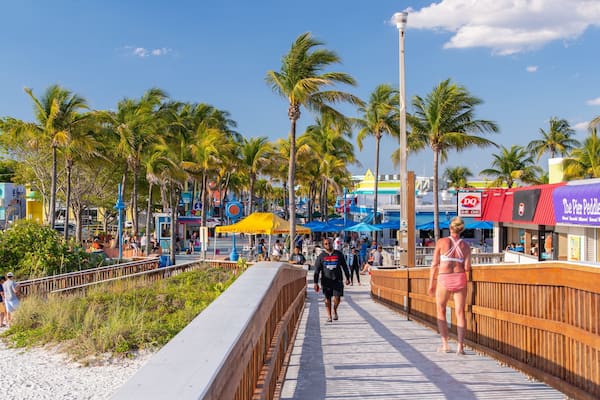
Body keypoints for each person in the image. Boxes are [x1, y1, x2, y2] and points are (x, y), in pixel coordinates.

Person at [428, 217, 471, 355]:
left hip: (444, 278)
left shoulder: (441, 242)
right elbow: (467, 267)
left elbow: (434, 265)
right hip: (460, 277)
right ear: (461, 229)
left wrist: (431, 284)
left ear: (450, 228)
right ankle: (460, 346)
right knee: (460, 312)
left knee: (441, 310)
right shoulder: (466, 246)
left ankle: (445, 344)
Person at [313, 237, 350, 323]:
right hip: (326, 281)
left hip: (337, 280)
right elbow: (317, 271)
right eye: (326, 244)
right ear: (323, 245)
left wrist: (348, 277)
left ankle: (335, 310)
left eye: (329, 243)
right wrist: (315, 283)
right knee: (327, 299)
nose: (328, 245)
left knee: (337, 298)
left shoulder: (339, 254)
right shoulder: (321, 257)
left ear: (332, 243)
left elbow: (344, 266)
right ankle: (329, 315)